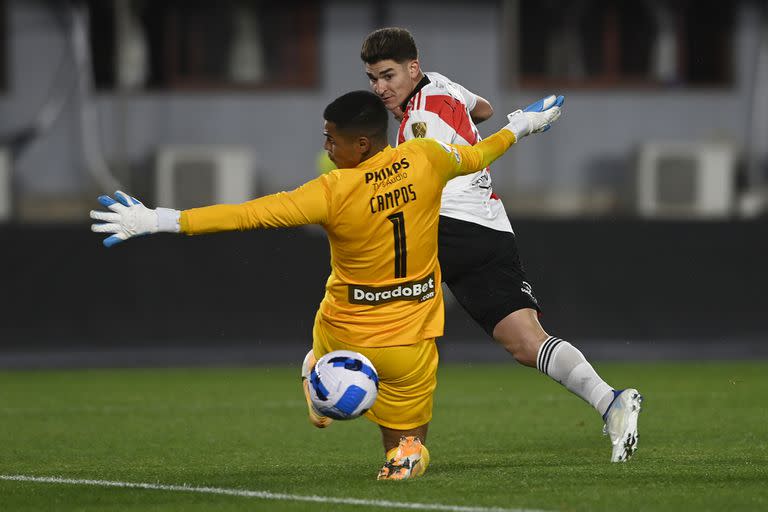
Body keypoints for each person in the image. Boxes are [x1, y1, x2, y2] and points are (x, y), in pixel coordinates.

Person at [90, 90, 564, 480]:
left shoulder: (333, 191)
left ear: (361, 144)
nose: (327, 148)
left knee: (321, 341)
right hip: (410, 341)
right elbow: (482, 152)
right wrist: (523, 124)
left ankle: (320, 383)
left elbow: (245, 215)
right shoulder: (427, 158)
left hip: (343, 332)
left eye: (331, 139)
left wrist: (157, 219)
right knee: (406, 445)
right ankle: (405, 457)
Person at [359, 27, 642, 463]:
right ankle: (612, 403)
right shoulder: (440, 83)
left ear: (412, 68)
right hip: (490, 228)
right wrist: (469, 126)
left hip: (445, 225)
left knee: (384, 316)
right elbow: (484, 109)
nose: (380, 87)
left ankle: (346, 389)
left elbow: (419, 180)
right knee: (527, 343)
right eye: (373, 78)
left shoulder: (420, 121)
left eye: (388, 75)